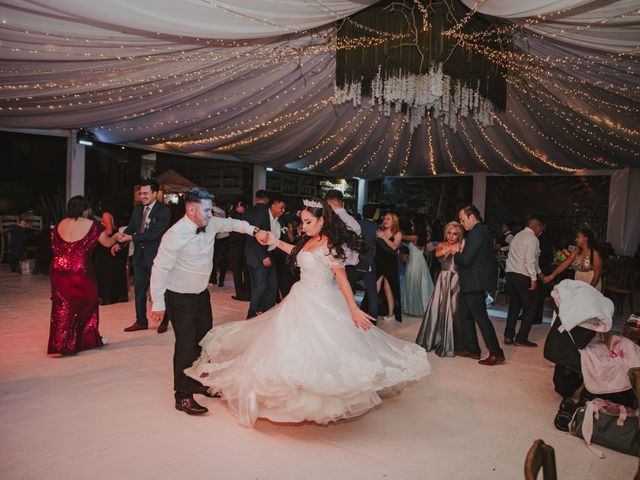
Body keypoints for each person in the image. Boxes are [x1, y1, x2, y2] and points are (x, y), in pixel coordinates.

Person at [185, 198, 430, 427]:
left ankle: (315, 397)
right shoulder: (310, 240)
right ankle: (288, 391)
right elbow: (296, 252)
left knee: (322, 352)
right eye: (302, 221)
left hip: (323, 302)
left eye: (308, 222)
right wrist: (274, 241)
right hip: (300, 298)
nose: (303, 226)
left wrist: (353, 309)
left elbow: (342, 278)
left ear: (322, 221)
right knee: (287, 346)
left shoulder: (330, 245)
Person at [149, 187, 268, 416]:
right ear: (191, 209)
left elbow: (233, 223)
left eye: (210, 210)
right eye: (206, 210)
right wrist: (157, 303)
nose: (210, 214)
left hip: (202, 295)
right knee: (185, 346)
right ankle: (182, 395)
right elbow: (159, 268)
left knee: (203, 343)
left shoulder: (211, 223)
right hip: (180, 297)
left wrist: (255, 230)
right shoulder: (175, 234)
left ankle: (197, 381)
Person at [48, 196, 121, 355]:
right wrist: (116, 236)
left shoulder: (60, 224)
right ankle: (85, 340)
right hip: (79, 269)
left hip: (58, 268)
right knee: (88, 302)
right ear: (85, 209)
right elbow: (107, 243)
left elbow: (55, 245)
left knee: (63, 306)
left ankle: (60, 343)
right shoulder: (92, 225)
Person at [116, 179, 171, 334]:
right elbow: (131, 228)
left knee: (160, 290)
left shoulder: (164, 211)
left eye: (146, 193)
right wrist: (119, 244)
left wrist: (131, 238)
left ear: (155, 193)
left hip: (156, 257)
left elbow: (155, 234)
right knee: (139, 290)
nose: (143, 196)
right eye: (141, 193)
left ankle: (164, 321)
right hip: (139, 256)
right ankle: (141, 321)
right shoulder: (138, 209)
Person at [454, 205, 505, 366]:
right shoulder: (480, 231)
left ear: (471, 217)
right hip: (472, 281)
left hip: (474, 282)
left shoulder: (477, 232)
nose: (461, 223)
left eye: (462, 219)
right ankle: (472, 349)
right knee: (465, 314)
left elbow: (467, 259)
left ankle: (496, 353)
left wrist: (456, 253)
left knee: (481, 318)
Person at [416, 221, 465, 357]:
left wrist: (457, 247)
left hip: (456, 280)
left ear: (459, 235)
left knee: (454, 310)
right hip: (443, 279)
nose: (451, 236)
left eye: (455, 234)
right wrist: (450, 248)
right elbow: (438, 254)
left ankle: (454, 342)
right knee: (437, 309)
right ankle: (434, 339)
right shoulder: (442, 245)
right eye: (449, 233)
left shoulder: (462, 245)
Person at [504, 216, 544, 348]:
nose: (541, 232)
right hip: (523, 276)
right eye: (541, 229)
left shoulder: (517, 236)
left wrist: (540, 274)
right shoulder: (533, 238)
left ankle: (508, 336)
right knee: (531, 307)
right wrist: (534, 279)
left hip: (510, 275)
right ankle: (521, 338)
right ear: (537, 227)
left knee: (514, 307)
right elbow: (530, 260)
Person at [244, 192, 284, 318]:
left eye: (284, 208)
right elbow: (253, 238)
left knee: (272, 286)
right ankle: (251, 315)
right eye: (281, 207)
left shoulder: (278, 220)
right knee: (260, 287)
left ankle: (267, 314)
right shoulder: (262, 216)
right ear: (272, 205)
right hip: (258, 256)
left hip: (270, 255)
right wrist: (263, 257)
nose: (283, 210)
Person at [93, 197, 128, 305]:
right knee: (114, 270)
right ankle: (117, 296)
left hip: (108, 244)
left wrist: (98, 229)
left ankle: (107, 296)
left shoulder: (105, 214)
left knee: (106, 270)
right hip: (116, 241)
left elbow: (109, 231)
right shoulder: (114, 214)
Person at [401, 216, 434, 316]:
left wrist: (398, 231)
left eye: (413, 225)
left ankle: (414, 308)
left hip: (414, 263)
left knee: (414, 284)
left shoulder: (414, 237)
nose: (411, 228)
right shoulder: (422, 237)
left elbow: (402, 237)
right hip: (420, 261)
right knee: (419, 284)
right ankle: (418, 307)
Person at [353, 204, 379, 324]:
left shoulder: (356, 223)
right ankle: (373, 318)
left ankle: (350, 314)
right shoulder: (375, 227)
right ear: (373, 213)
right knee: (372, 291)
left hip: (355, 261)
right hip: (368, 263)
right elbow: (383, 245)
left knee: (351, 289)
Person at [375, 212, 403, 322]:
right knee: (375, 287)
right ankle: (373, 311)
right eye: (384, 218)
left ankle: (391, 314)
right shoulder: (379, 230)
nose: (385, 220)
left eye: (388, 219)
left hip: (390, 263)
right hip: (378, 262)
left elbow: (395, 247)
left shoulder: (398, 234)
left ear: (394, 221)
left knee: (388, 288)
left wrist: (384, 238)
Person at [228, 199, 251, 301]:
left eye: (240, 206)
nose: (238, 208)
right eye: (237, 206)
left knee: (243, 271)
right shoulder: (236, 216)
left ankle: (244, 293)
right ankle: (242, 293)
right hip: (238, 246)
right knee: (239, 271)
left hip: (241, 247)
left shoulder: (237, 217)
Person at [210, 201, 229, 287]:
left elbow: (221, 211)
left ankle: (221, 280)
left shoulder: (221, 213)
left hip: (224, 238)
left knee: (223, 260)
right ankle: (213, 279)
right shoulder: (210, 215)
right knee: (213, 260)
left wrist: (210, 206)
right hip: (216, 239)